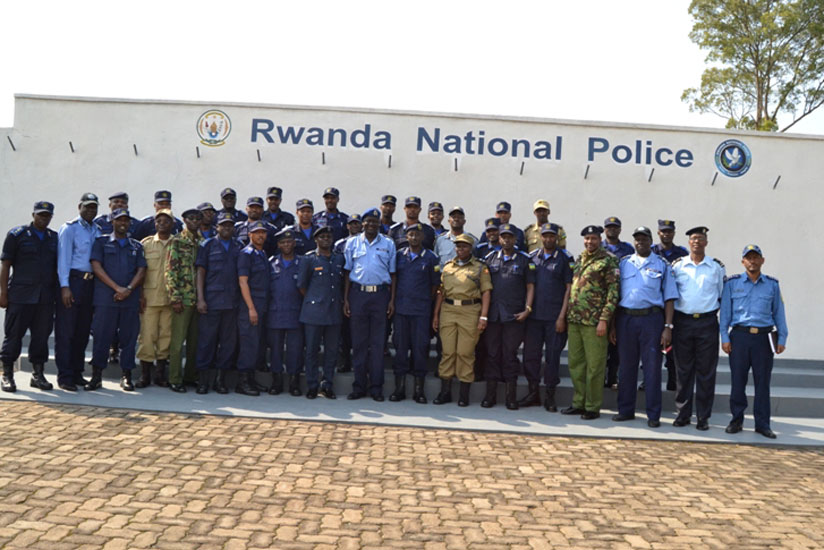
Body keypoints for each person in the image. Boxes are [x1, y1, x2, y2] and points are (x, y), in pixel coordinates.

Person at [610, 226, 678, 428]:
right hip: (626, 320)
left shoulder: (662, 264)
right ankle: (625, 410)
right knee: (626, 367)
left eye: (644, 239)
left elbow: (669, 298)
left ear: (650, 241)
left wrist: (668, 327)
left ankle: (653, 414)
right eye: (637, 239)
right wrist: (612, 325)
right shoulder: (623, 263)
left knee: (652, 368)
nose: (640, 242)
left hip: (652, 320)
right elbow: (614, 296)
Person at [720, 244, 788, 439]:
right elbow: (725, 313)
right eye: (748, 258)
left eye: (756, 257)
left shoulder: (772, 285)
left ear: (762, 260)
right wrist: (724, 337)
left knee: (763, 383)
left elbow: (779, 313)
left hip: (763, 339)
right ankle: (736, 420)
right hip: (739, 337)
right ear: (743, 261)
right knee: (738, 381)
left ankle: (762, 424)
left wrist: (782, 337)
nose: (752, 261)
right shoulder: (732, 284)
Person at [0, 201, 58, 392]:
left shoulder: (54, 238)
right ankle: (7, 374)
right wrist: (3, 293)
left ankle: (37, 374)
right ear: (33, 215)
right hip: (20, 296)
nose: (44, 218)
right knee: (13, 336)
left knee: (41, 337)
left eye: (47, 215)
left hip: (45, 298)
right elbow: (5, 265)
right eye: (40, 215)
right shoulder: (17, 235)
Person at [562, 225, 619, 420]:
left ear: (600, 240)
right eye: (587, 238)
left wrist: (604, 319)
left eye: (593, 238)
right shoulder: (580, 258)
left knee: (595, 367)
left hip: (594, 322)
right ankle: (578, 403)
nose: (589, 242)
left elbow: (613, 293)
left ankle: (592, 406)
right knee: (576, 364)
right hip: (575, 320)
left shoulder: (608, 260)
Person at [671, 226, 725, 430]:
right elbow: (672, 295)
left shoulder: (716, 267)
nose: (696, 242)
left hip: (707, 323)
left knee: (706, 372)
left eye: (700, 238)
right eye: (693, 238)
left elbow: (722, 296)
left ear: (706, 242)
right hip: (683, 322)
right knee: (683, 371)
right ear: (688, 242)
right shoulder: (678, 266)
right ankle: (683, 414)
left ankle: (703, 417)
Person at [87, 209, 147, 391]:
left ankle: (126, 375)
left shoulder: (136, 246)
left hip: (130, 299)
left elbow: (141, 270)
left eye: (126, 220)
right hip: (106, 298)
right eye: (119, 220)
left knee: (129, 338)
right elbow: (96, 267)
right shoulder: (101, 242)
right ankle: (96, 376)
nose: (123, 223)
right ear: (112, 222)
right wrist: (117, 288)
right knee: (102, 337)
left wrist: (128, 289)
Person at [431, 234, 492, 406]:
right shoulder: (448, 267)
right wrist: (436, 314)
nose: (460, 249)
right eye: (458, 246)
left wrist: (483, 316)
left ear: (470, 248)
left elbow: (486, 292)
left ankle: (464, 394)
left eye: (464, 246)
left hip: (470, 311)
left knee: (465, 352)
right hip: (448, 310)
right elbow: (441, 292)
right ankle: (445, 392)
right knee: (448, 352)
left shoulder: (480, 267)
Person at [343, 208, 397, 401]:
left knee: (377, 344)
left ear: (379, 224)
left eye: (375, 221)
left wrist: (391, 300)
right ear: (362, 224)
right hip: (358, 295)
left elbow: (393, 274)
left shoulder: (388, 243)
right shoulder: (352, 243)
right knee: (359, 343)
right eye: (368, 221)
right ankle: (359, 386)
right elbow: (347, 272)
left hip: (380, 296)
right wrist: (346, 299)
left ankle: (376, 387)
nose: (371, 224)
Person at [480, 224, 535, 410]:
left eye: (510, 237)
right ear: (499, 239)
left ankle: (510, 397)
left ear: (515, 239)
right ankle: (490, 395)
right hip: (494, 316)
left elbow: (530, 287)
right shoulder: (489, 259)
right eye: (503, 237)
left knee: (510, 355)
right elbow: (484, 288)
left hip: (514, 316)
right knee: (492, 354)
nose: (506, 240)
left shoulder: (524, 259)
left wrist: (527, 309)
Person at [520, 223, 573, 411]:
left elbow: (569, 290)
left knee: (552, 357)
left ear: (557, 238)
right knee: (530, 356)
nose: (549, 239)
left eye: (552, 236)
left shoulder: (565, 259)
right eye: (545, 236)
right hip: (534, 318)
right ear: (541, 237)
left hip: (554, 318)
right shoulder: (532, 257)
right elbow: (528, 286)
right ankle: (533, 393)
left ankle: (550, 396)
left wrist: (562, 317)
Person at [55, 192, 101, 391]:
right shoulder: (69, 228)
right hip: (73, 282)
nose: (90, 210)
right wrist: (64, 286)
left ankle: (76, 372)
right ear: (79, 207)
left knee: (82, 332)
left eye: (94, 207)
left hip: (90, 284)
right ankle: (65, 376)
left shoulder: (97, 230)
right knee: (66, 331)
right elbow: (63, 259)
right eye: (87, 206)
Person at [389, 224, 440, 403]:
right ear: (406, 237)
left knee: (420, 349)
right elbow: (394, 279)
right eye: (411, 234)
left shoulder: (431, 258)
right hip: (401, 310)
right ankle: (399, 388)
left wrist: (424, 299)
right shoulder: (398, 255)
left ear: (423, 237)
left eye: (418, 235)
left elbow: (435, 285)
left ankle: (419, 390)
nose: (414, 238)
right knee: (401, 349)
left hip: (421, 311)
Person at [195, 213, 243, 394]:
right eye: (223, 225)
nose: (227, 228)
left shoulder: (239, 246)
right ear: (217, 227)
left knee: (228, 344)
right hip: (211, 302)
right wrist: (200, 299)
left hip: (232, 303)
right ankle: (203, 381)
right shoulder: (207, 245)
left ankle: (220, 380)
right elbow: (200, 273)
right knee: (206, 342)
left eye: (230, 225)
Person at [298, 226, 345, 399]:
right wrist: (315, 298)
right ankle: (312, 385)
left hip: (333, 311)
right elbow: (302, 285)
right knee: (312, 350)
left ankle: (327, 384)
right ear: (316, 240)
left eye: (328, 237)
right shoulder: (309, 259)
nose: (326, 239)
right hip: (314, 312)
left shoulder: (338, 258)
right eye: (322, 237)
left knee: (331, 351)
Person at [135, 209, 174, 390]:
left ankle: (160, 374)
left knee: (166, 337)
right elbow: (139, 272)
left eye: (166, 221)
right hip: (149, 299)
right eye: (159, 221)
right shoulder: (146, 244)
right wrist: (139, 295)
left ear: (172, 224)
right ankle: (145, 374)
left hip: (170, 300)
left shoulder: (178, 244)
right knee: (147, 337)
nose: (162, 224)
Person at [166, 208, 203, 393]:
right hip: (183, 298)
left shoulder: (203, 242)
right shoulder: (177, 241)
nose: (194, 221)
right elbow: (170, 271)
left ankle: (190, 376)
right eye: (191, 218)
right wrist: (175, 297)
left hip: (199, 300)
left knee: (194, 343)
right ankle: (174, 378)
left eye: (197, 219)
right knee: (177, 342)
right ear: (185, 220)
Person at [652, 219, 689, 391]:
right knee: (653, 347)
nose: (666, 234)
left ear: (674, 233)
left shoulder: (682, 253)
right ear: (658, 233)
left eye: (669, 231)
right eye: (663, 231)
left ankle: (673, 381)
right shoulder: (652, 251)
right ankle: (648, 381)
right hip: (655, 306)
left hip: (675, 306)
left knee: (674, 348)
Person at [236, 221, 272, 396]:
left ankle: (251, 380)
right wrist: (251, 308)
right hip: (250, 305)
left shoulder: (262, 253)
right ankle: (242, 382)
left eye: (263, 232)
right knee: (248, 343)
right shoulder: (246, 254)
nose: (260, 235)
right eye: (257, 232)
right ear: (249, 234)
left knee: (256, 343)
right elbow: (243, 282)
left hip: (262, 304)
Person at [267, 229, 304, 395]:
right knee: (276, 349)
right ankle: (277, 381)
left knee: (294, 349)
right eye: (283, 242)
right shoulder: (271, 263)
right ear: (278, 245)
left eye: (289, 242)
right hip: (275, 312)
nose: (286, 245)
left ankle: (294, 382)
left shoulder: (302, 263)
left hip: (295, 312)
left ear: (294, 243)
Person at [602, 216, 633, 390]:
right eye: (609, 227)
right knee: (601, 342)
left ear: (620, 230)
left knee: (617, 342)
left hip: (621, 300)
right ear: (604, 229)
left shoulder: (628, 249)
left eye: (615, 227)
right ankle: (601, 378)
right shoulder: (598, 247)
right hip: (600, 301)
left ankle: (613, 377)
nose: (612, 230)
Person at [334, 214, 362, 373]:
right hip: (342, 288)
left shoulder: (365, 243)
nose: (355, 226)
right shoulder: (340, 244)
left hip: (359, 288)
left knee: (358, 329)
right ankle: (344, 360)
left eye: (357, 224)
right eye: (352, 224)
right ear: (347, 226)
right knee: (343, 329)